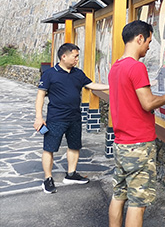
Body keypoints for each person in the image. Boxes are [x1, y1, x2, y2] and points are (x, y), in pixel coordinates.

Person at [107, 20, 165, 227]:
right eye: (149, 42)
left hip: (121, 143)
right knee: (138, 202)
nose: (149, 47)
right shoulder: (136, 67)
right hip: (139, 145)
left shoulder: (115, 67)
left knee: (119, 194)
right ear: (140, 38)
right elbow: (148, 103)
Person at [34, 43, 110, 194]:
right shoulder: (50, 74)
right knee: (49, 148)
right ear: (64, 56)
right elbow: (40, 95)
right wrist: (38, 117)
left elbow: (91, 85)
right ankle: (48, 179)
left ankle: (71, 174)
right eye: (75, 56)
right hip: (56, 118)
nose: (77, 59)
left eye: (77, 56)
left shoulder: (78, 73)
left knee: (74, 146)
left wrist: (111, 86)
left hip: (75, 117)